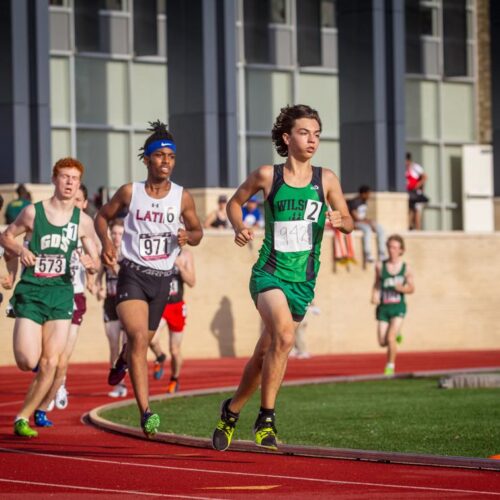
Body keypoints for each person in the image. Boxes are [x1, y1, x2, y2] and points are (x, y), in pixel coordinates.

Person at [211, 104, 353, 452]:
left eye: (317, 134)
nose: (312, 140)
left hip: (302, 283)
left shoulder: (327, 179)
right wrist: (240, 225)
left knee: (264, 356)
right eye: (305, 133)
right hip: (269, 274)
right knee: (285, 337)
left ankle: (231, 411)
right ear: (287, 137)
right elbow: (234, 202)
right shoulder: (267, 175)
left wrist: (341, 220)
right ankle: (267, 418)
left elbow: (349, 220)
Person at [94, 120, 203, 438]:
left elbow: (198, 232)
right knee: (139, 338)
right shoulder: (132, 192)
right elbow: (102, 216)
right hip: (132, 275)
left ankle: (122, 361)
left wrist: (188, 236)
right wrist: (108, 243)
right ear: (147, 160)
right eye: (160, 156)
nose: (166, 161)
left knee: (138, 343)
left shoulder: (183, 198)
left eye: (171, 156)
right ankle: (146, 412)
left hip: (162, 282)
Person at [0, 158, 100, 438]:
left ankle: (23, 417)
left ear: (79, 184)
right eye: (65, 177)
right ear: (54, 179)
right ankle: (35, 389)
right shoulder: (34, 213)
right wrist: (20, 251)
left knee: (52, 362)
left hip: (61, 293)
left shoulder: (84, 221)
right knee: (25, 359)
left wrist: (92, 264)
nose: (69, 182)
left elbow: (95, 258)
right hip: (32, 291)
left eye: (74, 178)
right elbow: (6, 236)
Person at [35, 184, 98, 421]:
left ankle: (43, 406)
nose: (74, 202)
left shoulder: (86, 230)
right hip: (47, 294)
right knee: (42, 356)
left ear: (83, 204)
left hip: (74, 298)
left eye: (79, 199)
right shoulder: (51, 224)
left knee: (61, 359)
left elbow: (97, 261)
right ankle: (47, 380)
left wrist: (92, 275)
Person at [150, 247, 195, 392]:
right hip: (160, 304)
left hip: (176, 306)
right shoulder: (158, 249)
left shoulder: (186, 254)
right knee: (151, 339)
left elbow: (192, 282)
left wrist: (180, 266)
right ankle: (160, 356)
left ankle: (174, 379)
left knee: (175, 350)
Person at [371, 234, 415, 376]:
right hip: (384, 308)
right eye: (390, 247)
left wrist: (402, 288)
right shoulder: (380, 265)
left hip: (398, 307)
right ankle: (396, 336)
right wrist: (374, 295)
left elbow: (412, 288)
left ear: (401, 250)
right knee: (382, 342)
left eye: (395, 248)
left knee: (390, 337)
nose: (392, 250)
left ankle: (390, 366)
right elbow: (377, 283)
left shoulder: (406, 268)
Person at [94, 218, 128, 398]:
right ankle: (119, 384)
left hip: (126, 302)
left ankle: (125, 377)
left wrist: (113, 265)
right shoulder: (105, 251)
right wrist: (97, 287)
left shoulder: (129, 253)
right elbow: (98, 275)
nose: (116, 237)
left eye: (119, 234)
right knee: (113, 345)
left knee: (125, 345)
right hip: (110, 303)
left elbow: (124, 276)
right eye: (113, 233)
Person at [348, 185, 385, 263]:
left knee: (380, 229)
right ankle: (367, 254)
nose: (369, 196)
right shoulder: (354, 202)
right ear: (363, 194)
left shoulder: (364, 202)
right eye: (368, 194)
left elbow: (363, 217)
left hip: (363, 222)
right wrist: (368, 222)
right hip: (354, 223)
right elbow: (356, 218)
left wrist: (370, 221)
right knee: (367, 230)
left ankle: (382, 253)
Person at [406, 152, 428, 230]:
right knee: (410, 210)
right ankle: (409, 227)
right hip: (409, 193)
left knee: (417, 210)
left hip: (416, 193)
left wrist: (416, 186)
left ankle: (418, 229)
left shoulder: (415, 167)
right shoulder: (405, 169)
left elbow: (425, 177)